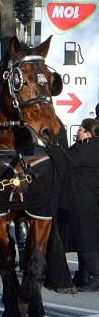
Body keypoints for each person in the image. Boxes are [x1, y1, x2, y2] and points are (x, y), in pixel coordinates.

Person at [60, 118, 99, 292]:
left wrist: (56, 144)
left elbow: (67, 159)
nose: (78, 131)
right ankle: (83, 275)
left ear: (89, 133)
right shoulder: (86, 146)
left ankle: (95, 276)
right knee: (82, 239)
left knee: (86, 240)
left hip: (85, 200)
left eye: (81, 129)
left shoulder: (89, 148)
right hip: (83, 199)